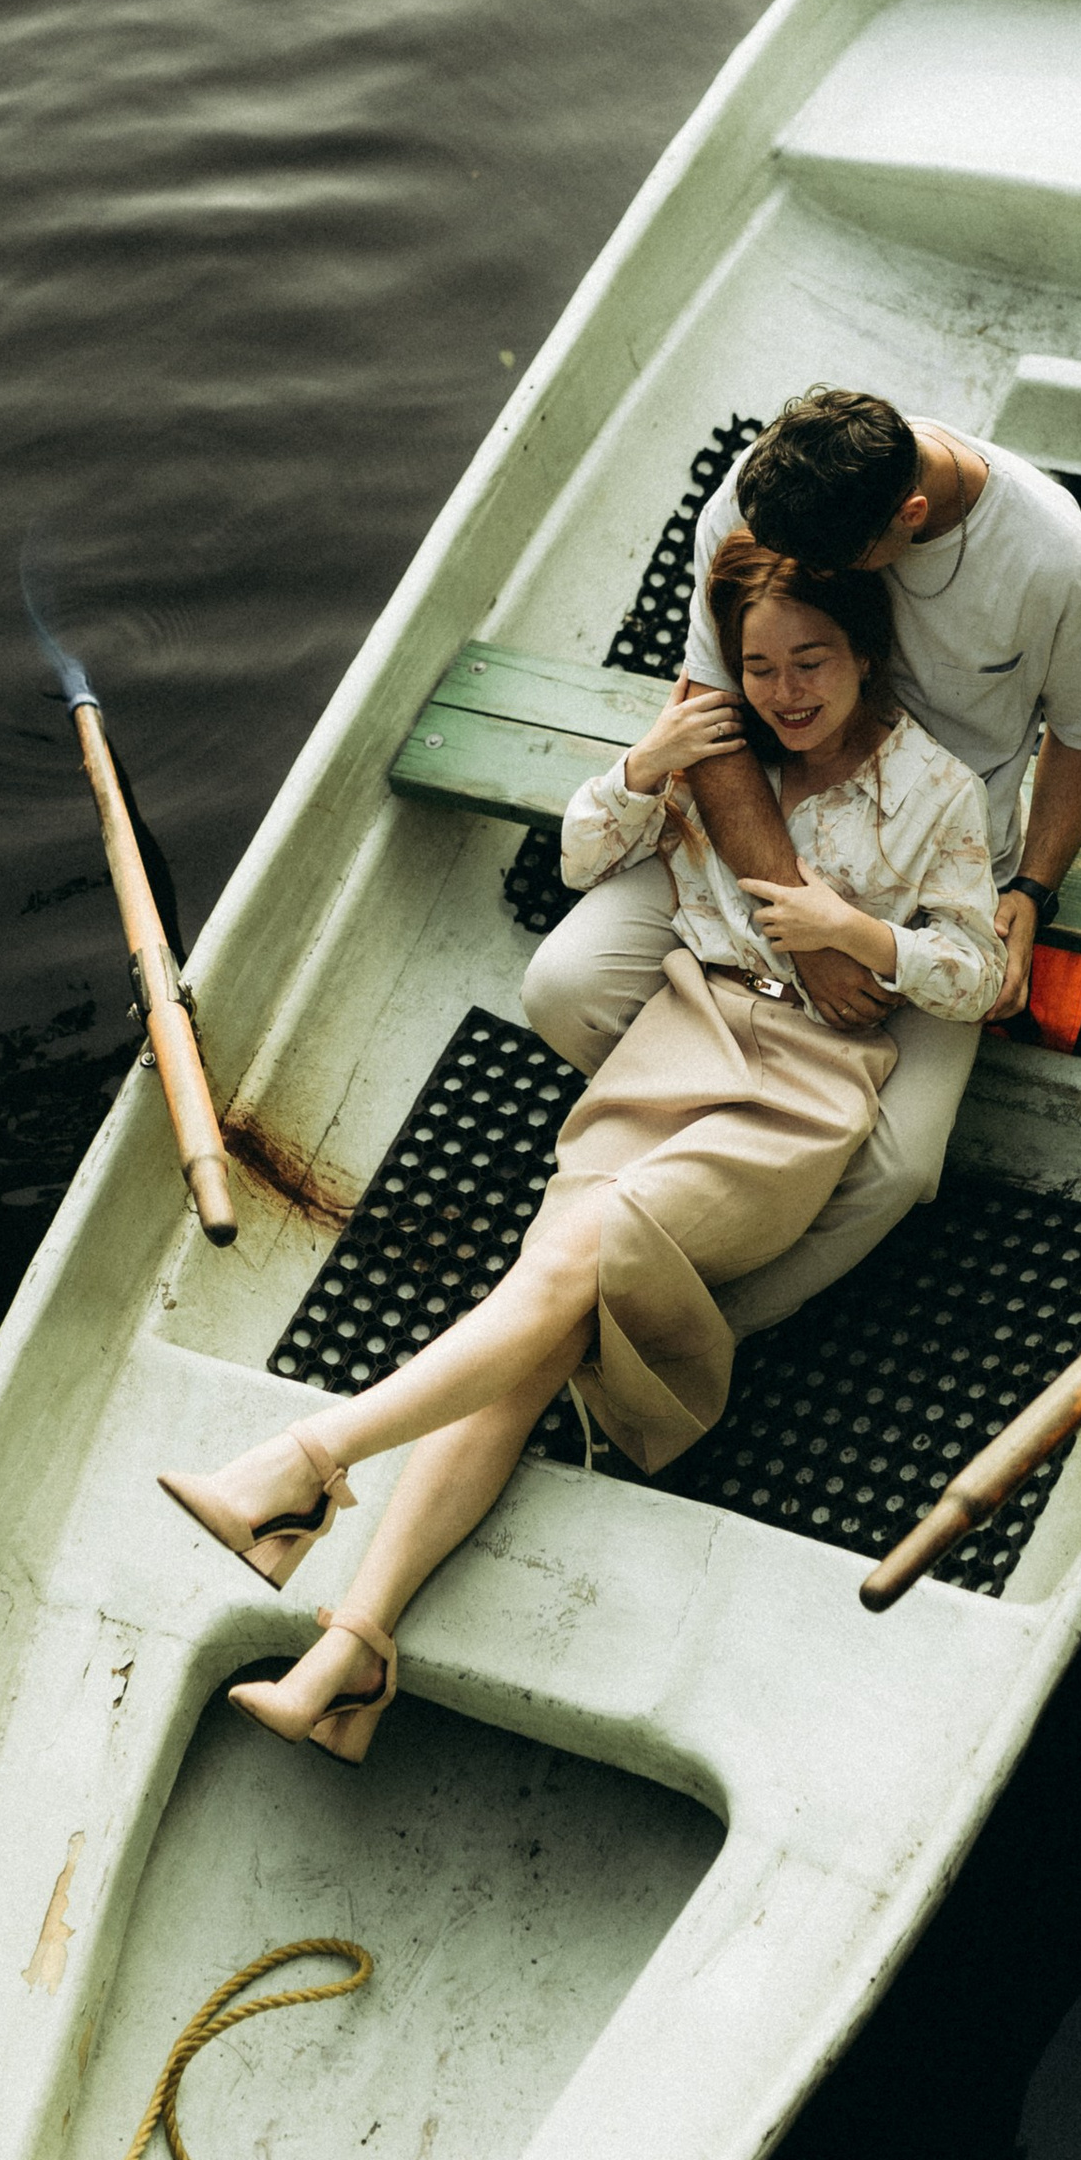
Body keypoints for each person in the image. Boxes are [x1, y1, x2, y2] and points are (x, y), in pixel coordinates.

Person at [157, 537, 1004, 1763]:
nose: (787, 691)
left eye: (812, 660)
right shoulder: (716, 750)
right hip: (679, 1031)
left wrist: (860, 935)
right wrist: (636, 770)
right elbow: (574, 859)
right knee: (537, 1334)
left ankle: (304, 1462)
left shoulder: (937, 791)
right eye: (762, 666)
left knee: (566, 1268)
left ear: (865, 653)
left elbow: (981, 975)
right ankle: (355, 1650)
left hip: (805, 1087)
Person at [522, 383, 1081, 1329]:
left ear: (906, 519)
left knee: (898, 1169)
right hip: (755, 833)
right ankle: (717, 1165)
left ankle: (712, 1322)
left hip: (926, 869)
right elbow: (715, 718)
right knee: (564, 989)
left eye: (827, 570)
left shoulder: (1055, 562)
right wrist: (804, 926)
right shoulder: (767, 498)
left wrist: (1034, 886)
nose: (797, 576)